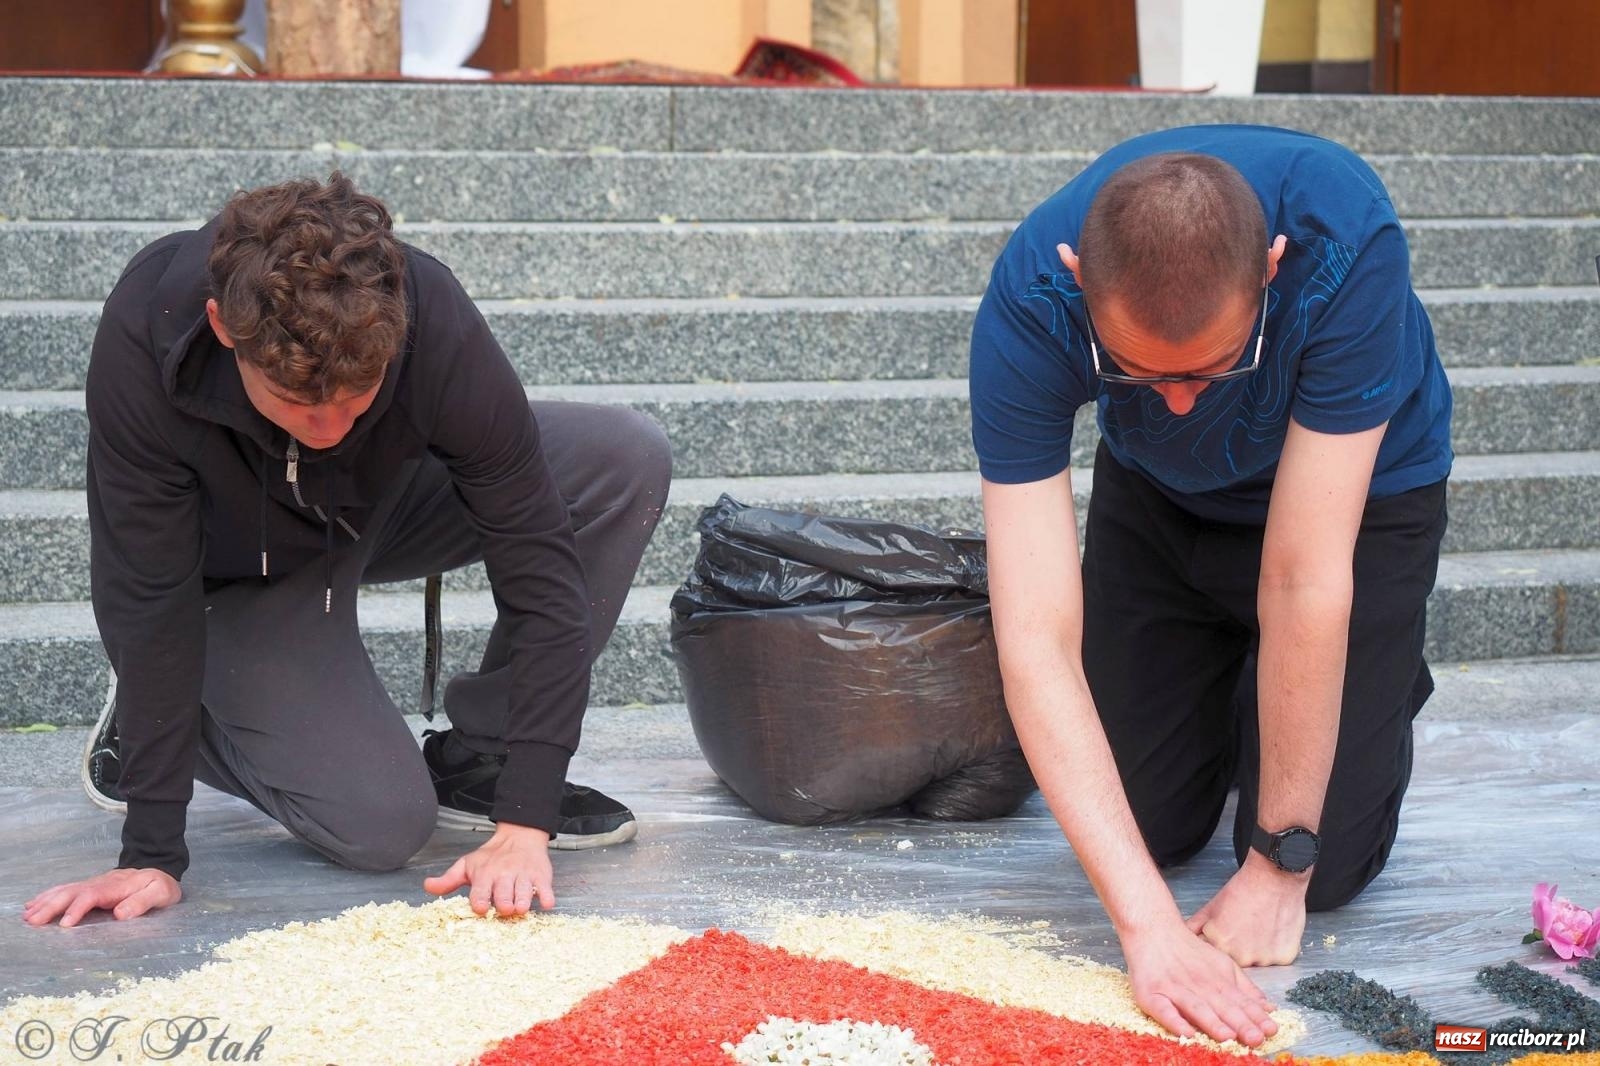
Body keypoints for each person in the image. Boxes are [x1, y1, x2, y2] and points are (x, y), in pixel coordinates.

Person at [23, 173, 672, 929]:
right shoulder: (147, 329)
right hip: (233, 576)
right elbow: (148, 593)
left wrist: (524, 821)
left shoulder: (423, 306)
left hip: (378, 505)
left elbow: (538, 560)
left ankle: (482, 759)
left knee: (623, 455)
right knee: (381, 825)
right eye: (298, 403)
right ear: (224, 328)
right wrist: (151, 852)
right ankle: (180, 717)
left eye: (355, 397)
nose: (328, 427)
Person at [969, 125, 1452, 1046]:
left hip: (1359, 495)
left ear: (1273, 269)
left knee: (1327, 863)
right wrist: (1148, 932)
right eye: (1140, 372)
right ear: (1078, 280)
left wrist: (1280, 865)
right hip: (1162, 499)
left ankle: (1369, 682)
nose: (1181, 398)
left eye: (1211, 368)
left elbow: (1306, 577)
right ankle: (1243, 684)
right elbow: (1033, 635)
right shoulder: (1031, 298)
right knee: (1134, 832)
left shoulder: (1344, 239)